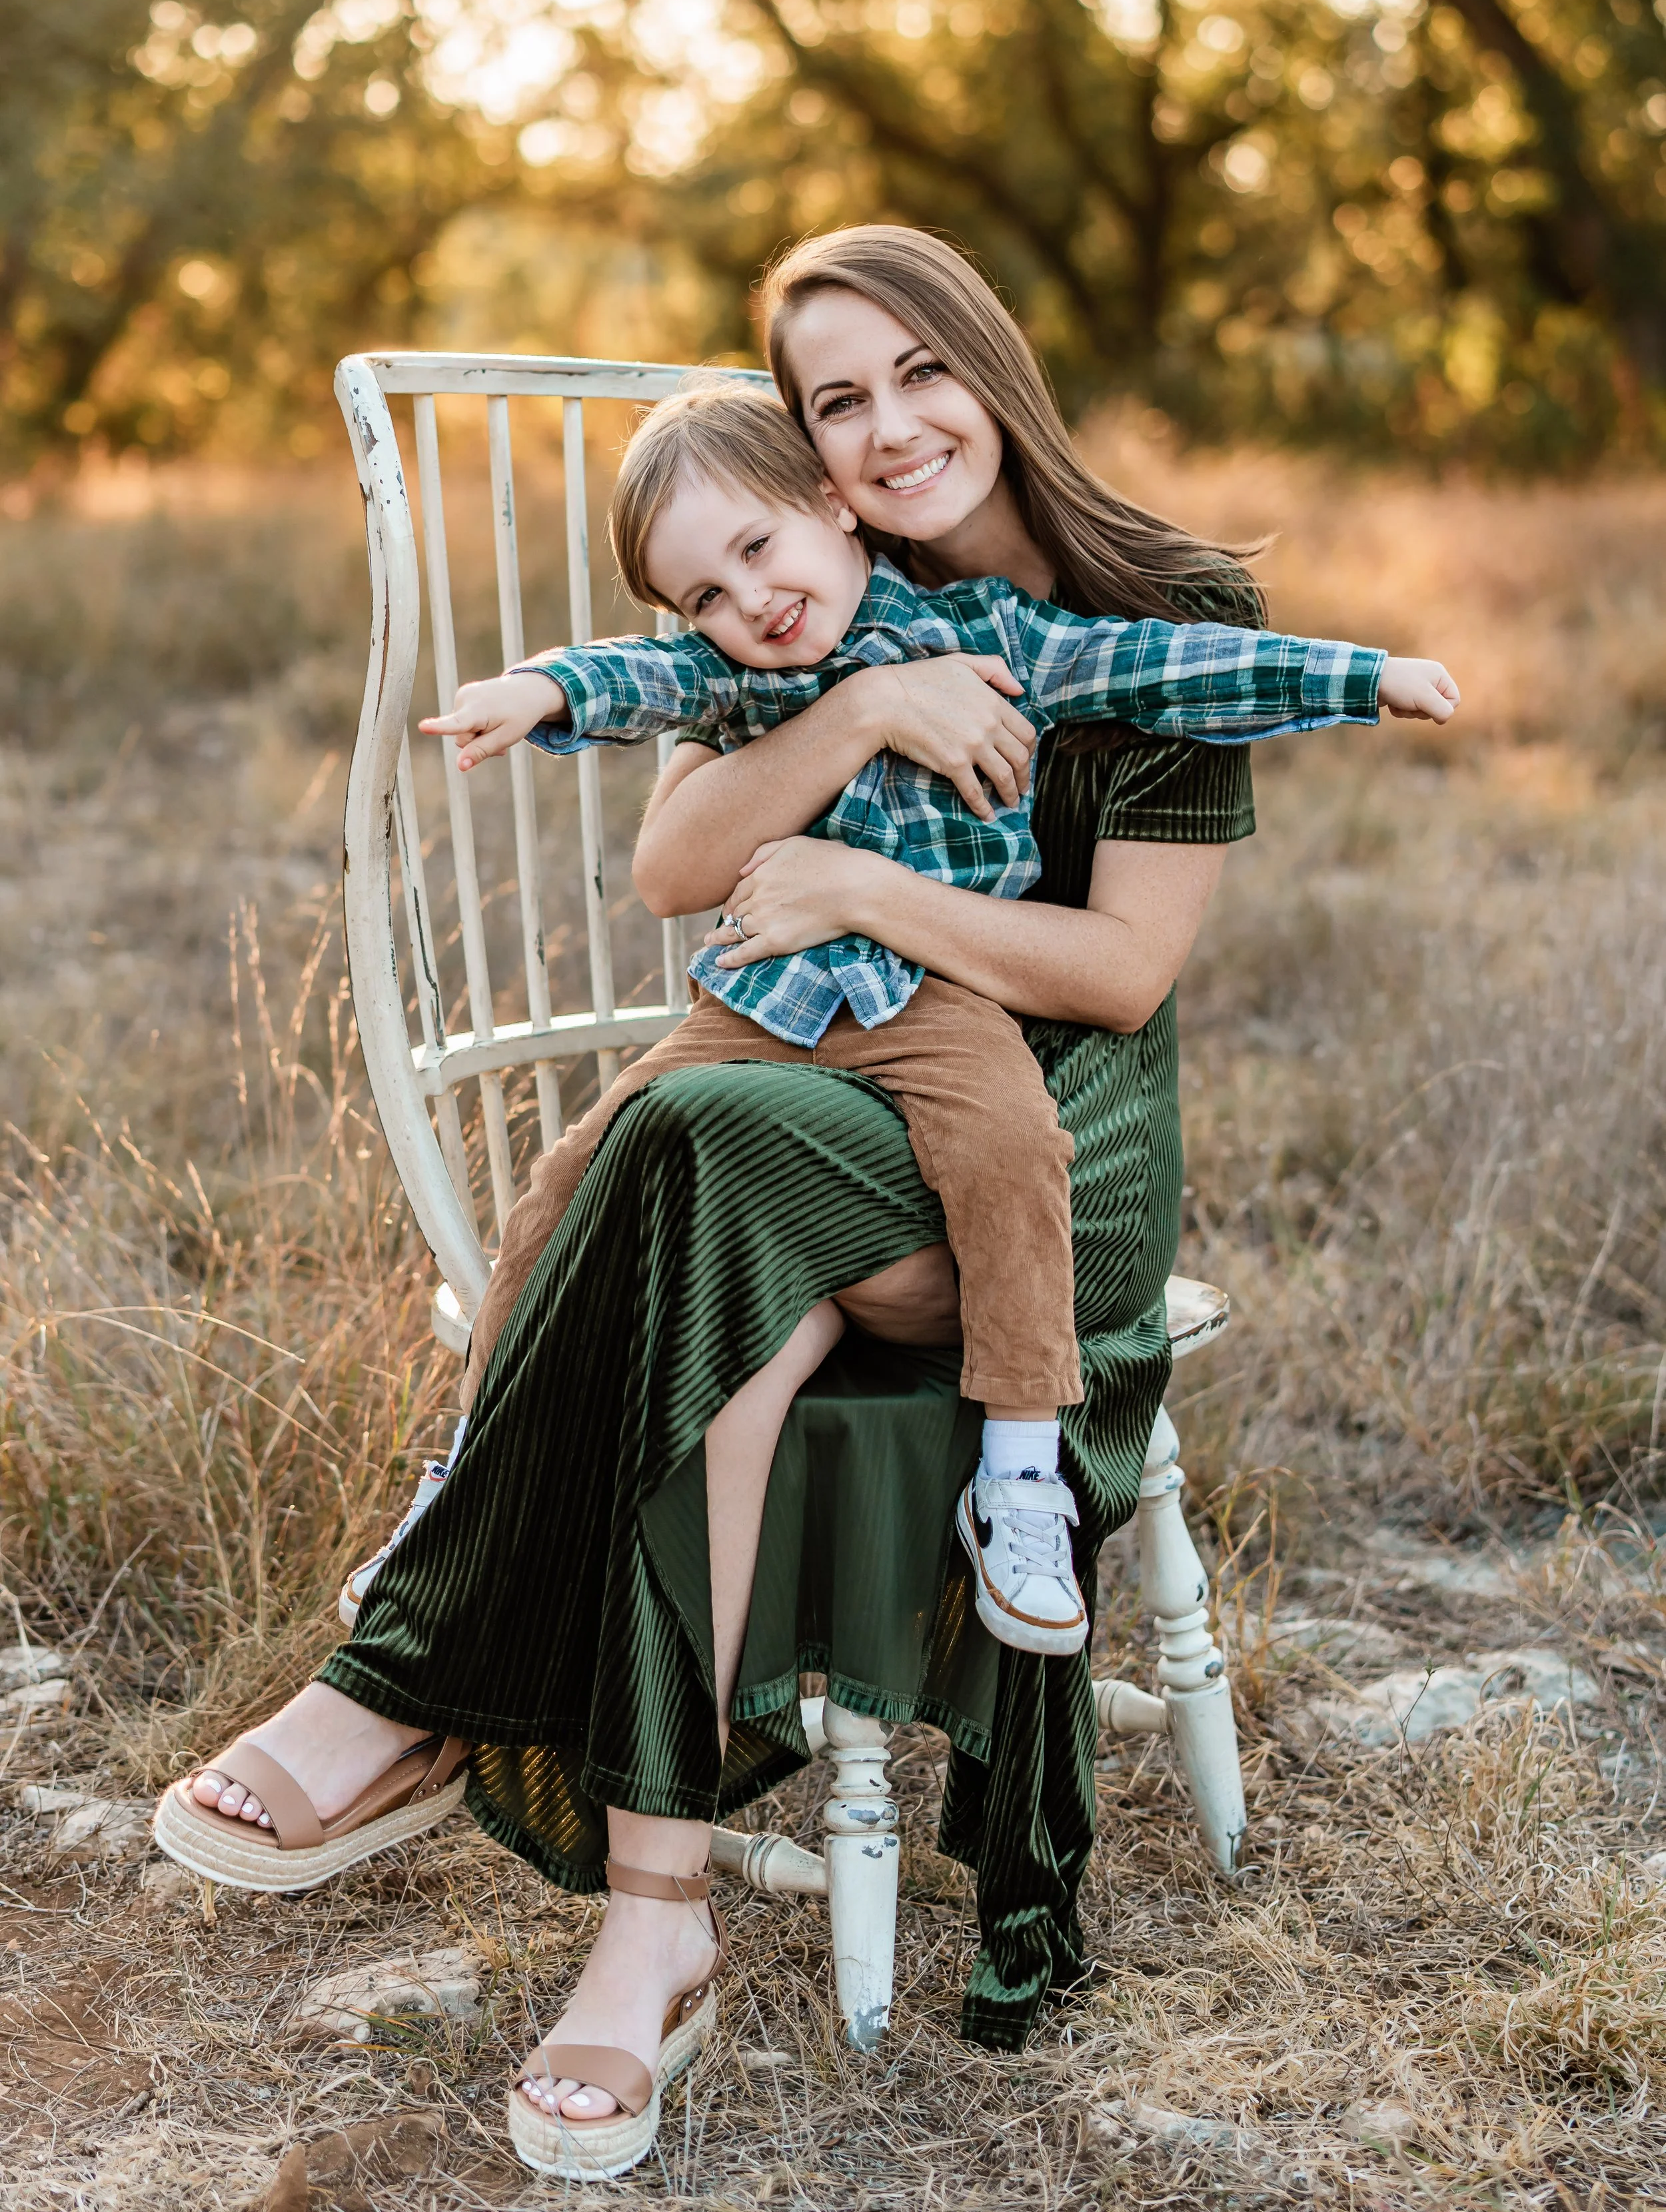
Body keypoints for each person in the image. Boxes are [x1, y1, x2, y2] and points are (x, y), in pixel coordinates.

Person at [151, 224, 1427, 2182]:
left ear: (986, 361)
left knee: (682, 1152)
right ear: (808, 449)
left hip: (1041, 1153)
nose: (894, 425)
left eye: (918, 371)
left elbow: (1112, 978)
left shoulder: (1154, 609)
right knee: (698, 1203)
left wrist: (856, 888)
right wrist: (849, 721)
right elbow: (676, 853)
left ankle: (406, 1683)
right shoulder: (795, 604)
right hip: (800, 1116)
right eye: (841, 398)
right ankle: (651, 1917)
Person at [395, 378, 1453, 1661]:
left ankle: (1019, 1474)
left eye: (756, 550)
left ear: (834, 508)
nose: (748, 605)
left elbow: (1167, 666)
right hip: (765, 1004)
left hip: (930, 995)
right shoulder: (732, 678)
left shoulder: (991, 634)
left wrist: (1368, 676)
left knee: (1013, 1149)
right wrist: (540, 695)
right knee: (567, 1185)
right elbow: (630, 676)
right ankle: (460, 1488)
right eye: (707, 596)